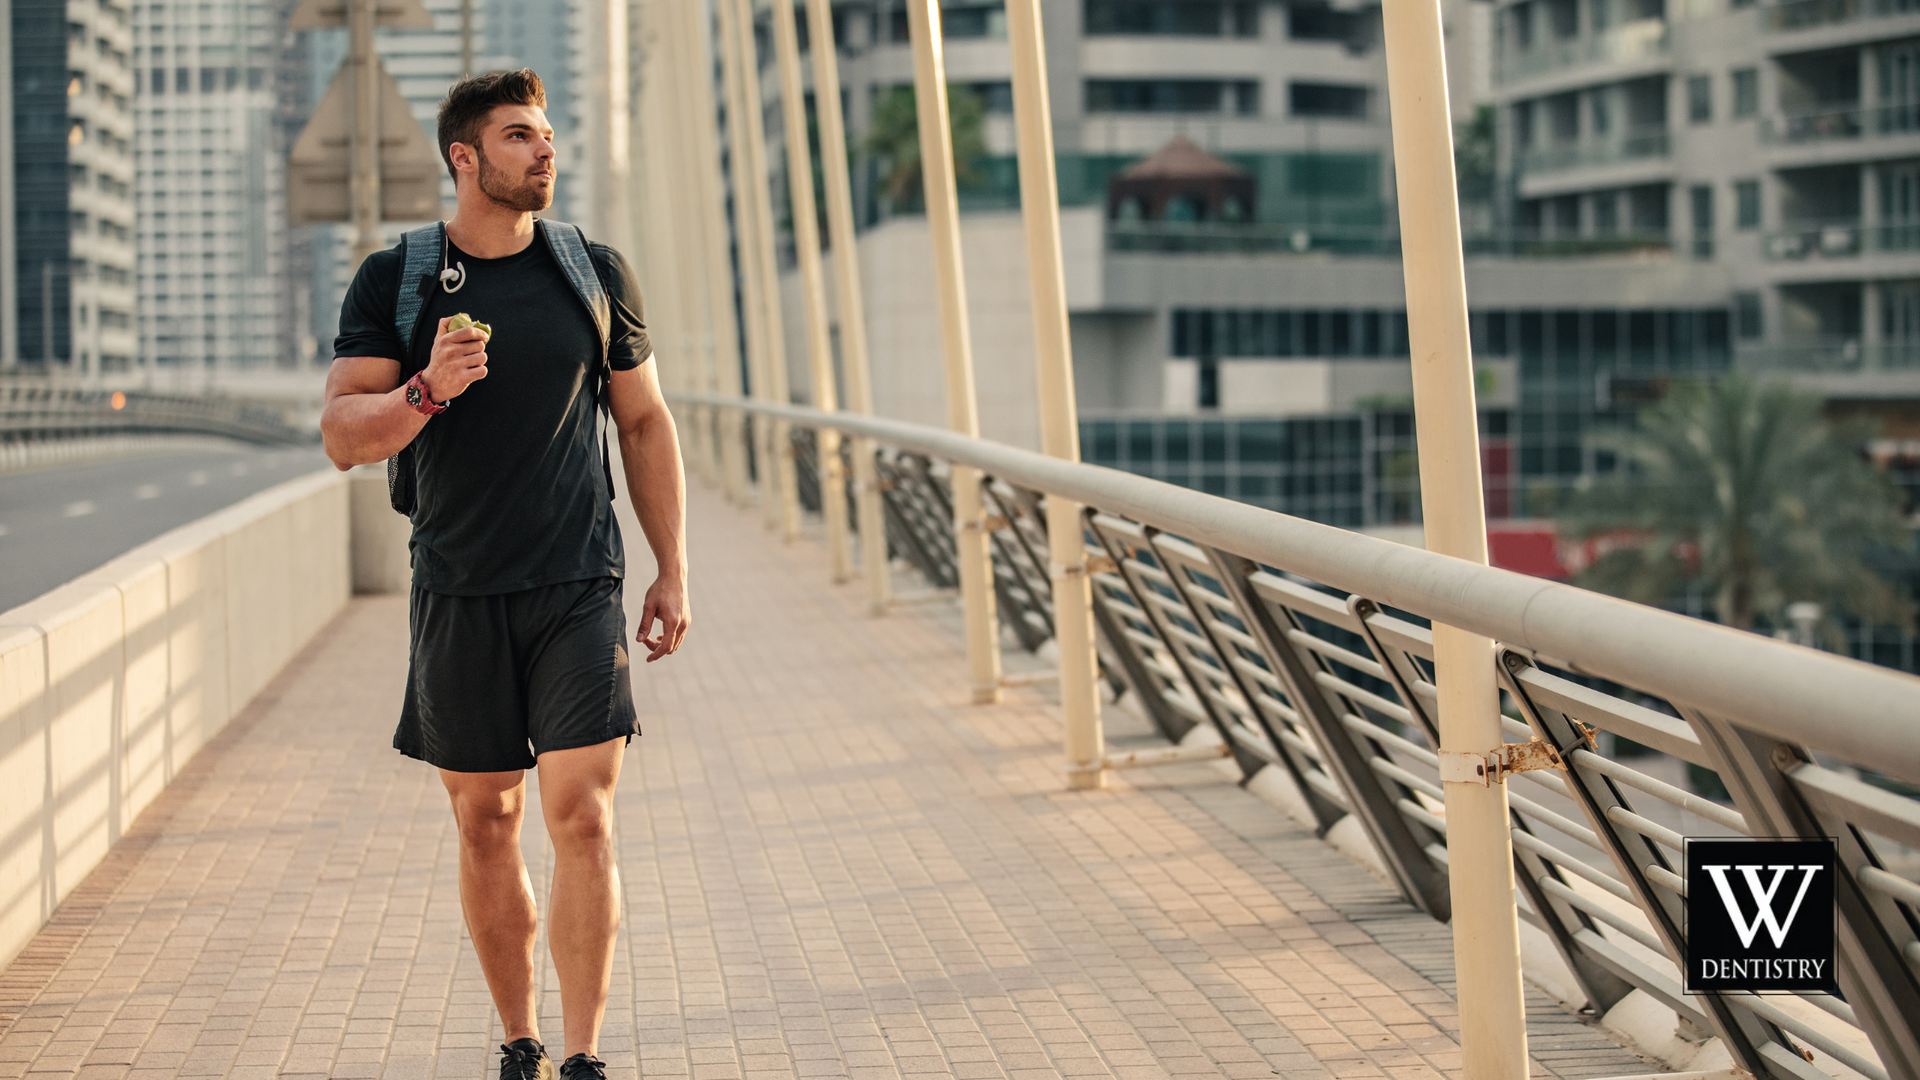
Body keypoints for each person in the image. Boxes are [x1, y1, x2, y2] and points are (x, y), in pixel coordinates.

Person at [320, 69, 688, 1080]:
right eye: (520, 135)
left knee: (582, 810)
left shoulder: (593, 272)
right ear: (465, 157)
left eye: (549, 134)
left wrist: (671, 570)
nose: (544, 150)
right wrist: (426, 393)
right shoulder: (395, 279)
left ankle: (582, 1056)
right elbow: (343, 436)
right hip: (456, 586)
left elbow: (645, 420)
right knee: (488, 819)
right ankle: (519, 1038)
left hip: (577, 583)